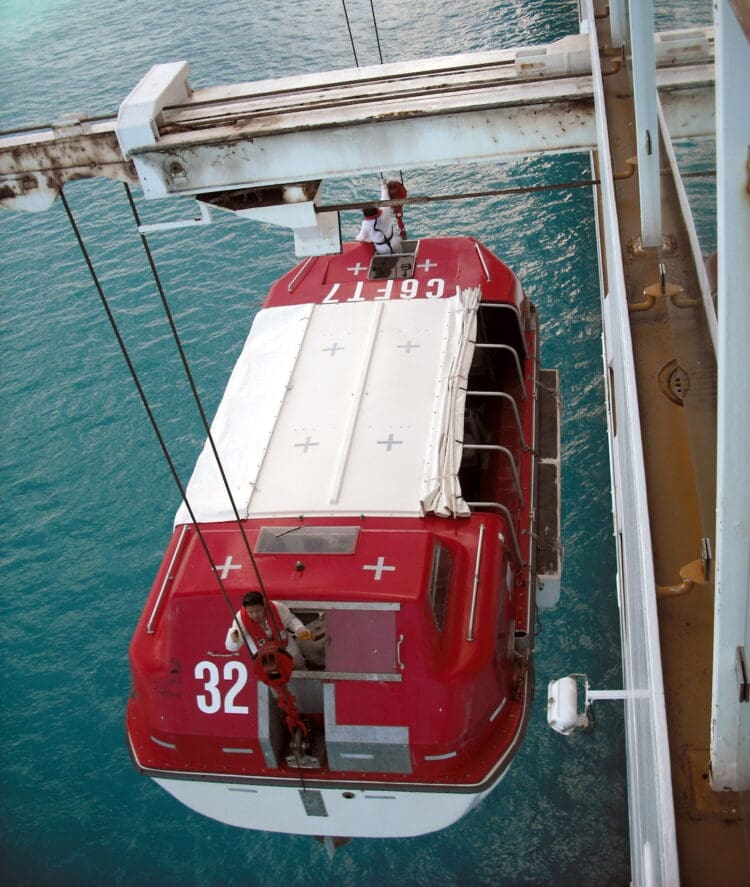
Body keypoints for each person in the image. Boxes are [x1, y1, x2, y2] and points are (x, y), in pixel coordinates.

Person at [226, 591, 312, 669]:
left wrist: (300, 629)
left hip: (287, 647)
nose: (255, 615)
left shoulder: (277, 607)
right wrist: (234, 638)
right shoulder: (240, 619)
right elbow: (232, 647)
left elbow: (291, 620)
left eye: (258, 610)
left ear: (264, 605)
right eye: (250, 612)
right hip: (265, 657)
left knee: (301, 668)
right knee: (275, 679)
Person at [355, 176, 403, 254]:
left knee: (388, 263)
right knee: (402, 256)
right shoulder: (384, 211)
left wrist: (355, 240)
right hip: (394, 241)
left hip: (382, 248)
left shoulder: (366, 224)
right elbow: (385, 197)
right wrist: (383, 185)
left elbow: (361, 238)